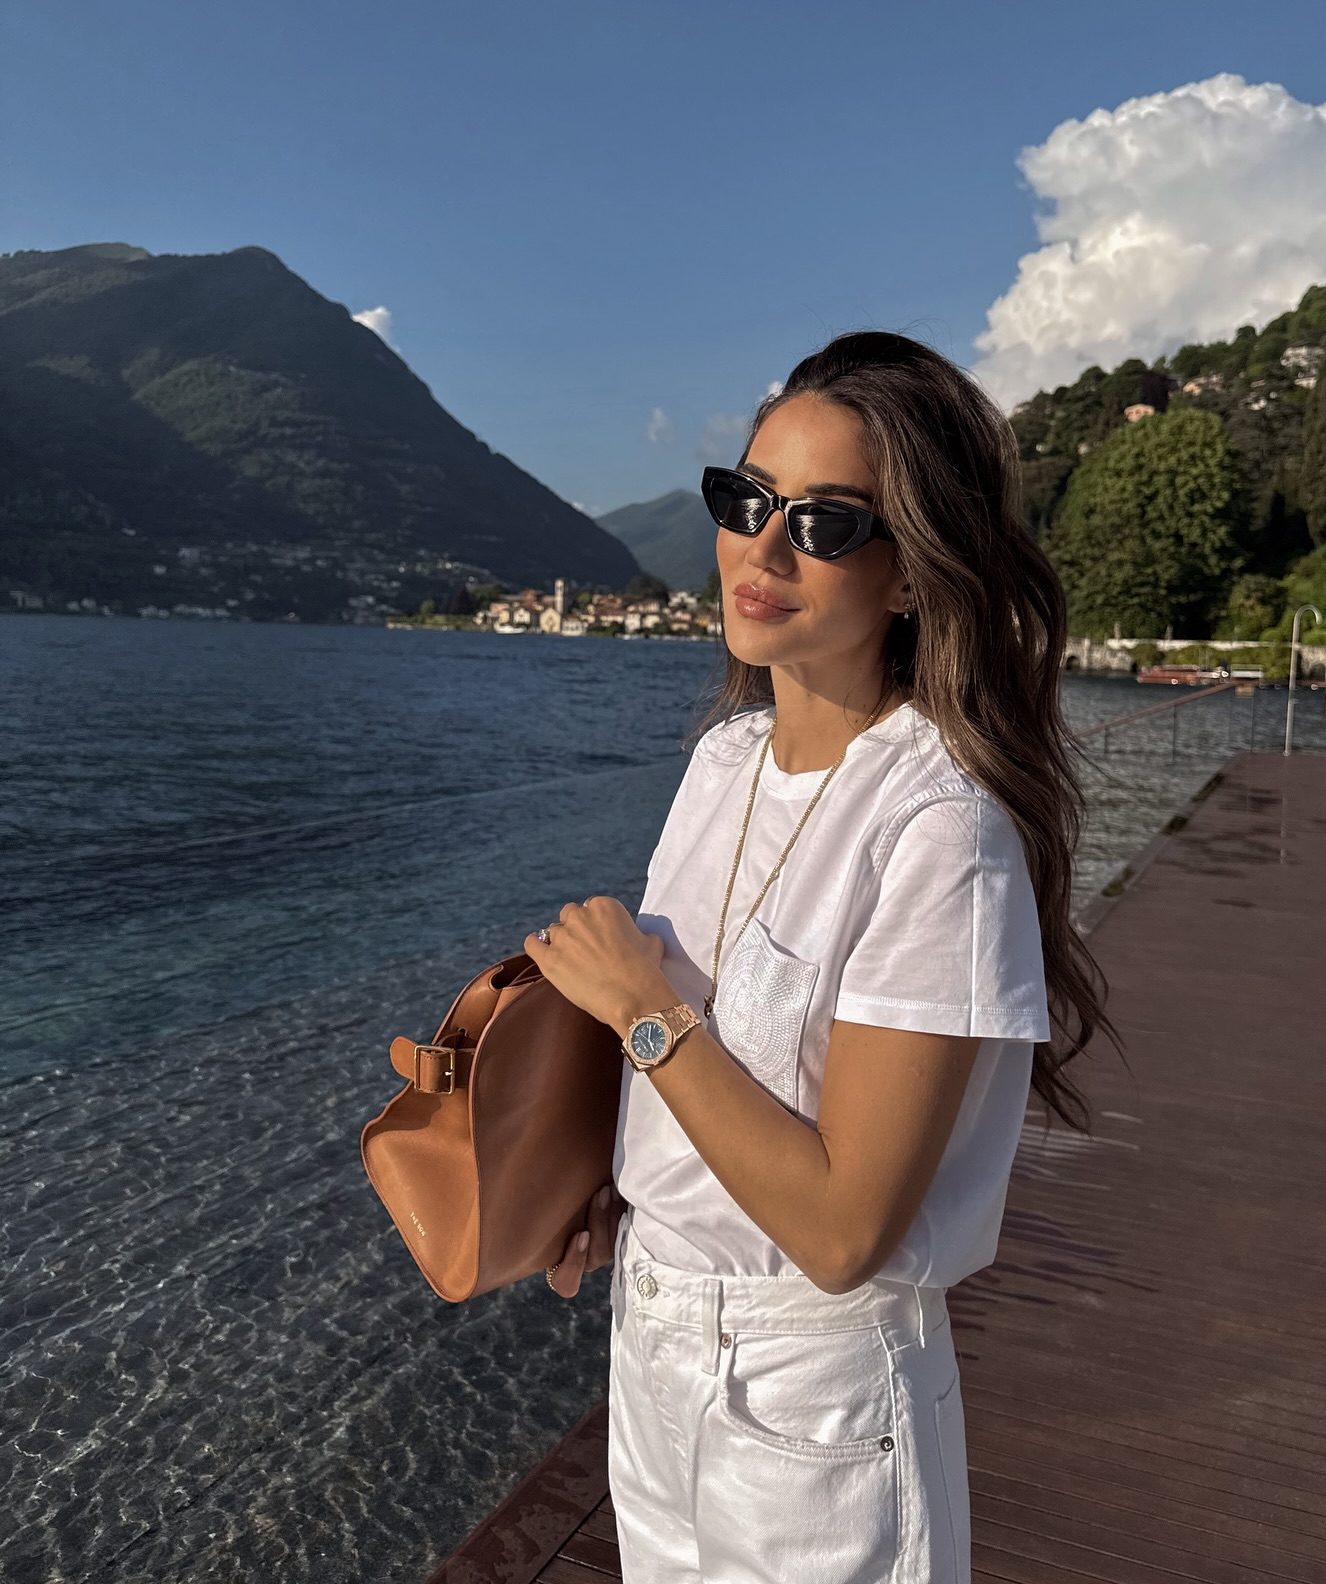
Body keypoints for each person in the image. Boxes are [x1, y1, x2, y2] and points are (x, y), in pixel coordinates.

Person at [522, 330, 1117, 1582]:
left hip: (819, 1396)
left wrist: (640, 1010)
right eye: (747, 500)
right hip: (654, 1341)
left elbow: (845, 1232)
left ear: (911, 574)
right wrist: (625, 1181)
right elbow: (724, 1081)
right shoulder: (721, 763)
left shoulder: (939, 826)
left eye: (826, 523)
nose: (764, 549)